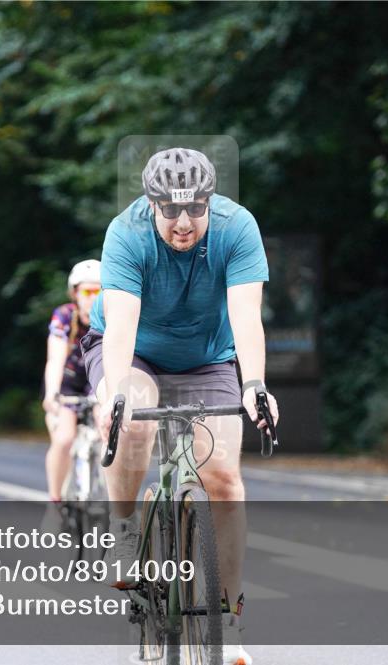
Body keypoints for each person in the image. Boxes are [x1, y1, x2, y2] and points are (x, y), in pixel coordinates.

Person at [83, 148, 279, 665]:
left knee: (224, 479)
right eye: (170, 210)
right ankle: (125, 529)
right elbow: (122, 324)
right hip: (134, 352)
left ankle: (227, 621)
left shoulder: (238, 229)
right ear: (152, 205)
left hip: (208, 358)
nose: (184, 222)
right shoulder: (126, 234)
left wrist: (254, 384)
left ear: (210, 201)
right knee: (136, 423)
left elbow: (246, 316)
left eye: (195, 208)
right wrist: (117, 394)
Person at [42, 259, 102, 505]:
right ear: (75, 293)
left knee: (109, 430)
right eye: (86, 291)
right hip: (67, 384)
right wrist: (52, 394)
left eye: (99, 291)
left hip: (96, 382)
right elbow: (55, 359)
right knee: (64, 438)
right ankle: (55, 502)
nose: (92, 297)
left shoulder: (110, 317)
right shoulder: (64, 316)